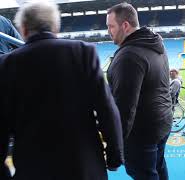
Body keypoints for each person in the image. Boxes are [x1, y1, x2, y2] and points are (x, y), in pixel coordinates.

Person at [0, 2, 123, 180]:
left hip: (33, 170)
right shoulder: (83, 52)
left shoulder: (7, 64)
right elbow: (107, 108)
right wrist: (114, 155)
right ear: (55, 27)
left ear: (24, 29)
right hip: (84, 167)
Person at [106, 2, 172, 180]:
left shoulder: (129, 55)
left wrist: (114, 149)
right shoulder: (155, 43)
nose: (108, 31)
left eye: (111, 26)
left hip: (141, 133)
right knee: (158, 168)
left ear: (125, 25)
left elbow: (124, 108)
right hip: (162, 122)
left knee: (145, 174)